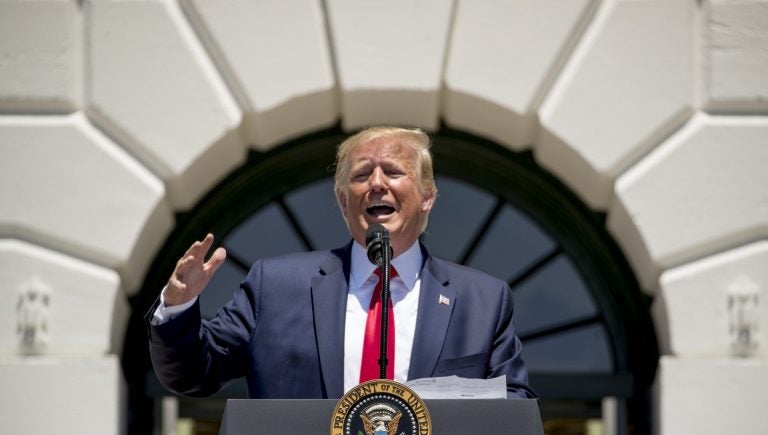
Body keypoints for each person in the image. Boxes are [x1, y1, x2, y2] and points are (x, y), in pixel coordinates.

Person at [146, 126, 536, 399]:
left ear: (428, 197)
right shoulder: (276, 287)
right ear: (343, 201)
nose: (377, 184)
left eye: (394, 172)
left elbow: (514, 408)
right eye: (362, 174)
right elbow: (193, 375)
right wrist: (179, 305)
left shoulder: (483, 300)